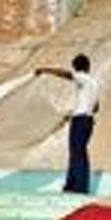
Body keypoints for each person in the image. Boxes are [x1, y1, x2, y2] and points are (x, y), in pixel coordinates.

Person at [35, 53, 99, 194]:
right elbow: (96, 107)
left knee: (77, 153)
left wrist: (45, 70)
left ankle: (78, 187)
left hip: (80, 120)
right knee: (79, 152)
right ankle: (72, 185)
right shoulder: (93, 83)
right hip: (88, 120)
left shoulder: (81, 77)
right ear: (88, 66)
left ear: (77, 67)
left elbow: (66, 74)